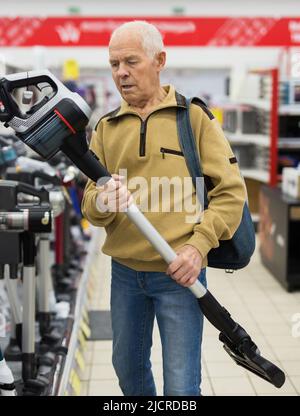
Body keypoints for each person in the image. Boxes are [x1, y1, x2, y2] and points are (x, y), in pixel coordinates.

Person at [81, 20, 247, 396]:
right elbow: (90, 205)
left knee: (181, 383)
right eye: (113, 64)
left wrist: (198, 246)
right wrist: (104, 201)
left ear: (159, 60)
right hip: (124, 275)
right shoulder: (106, 127)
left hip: (180, 274)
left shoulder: (194, 119)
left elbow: (231, 192)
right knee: (128, 372)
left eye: (131, 62)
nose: (120, 73)